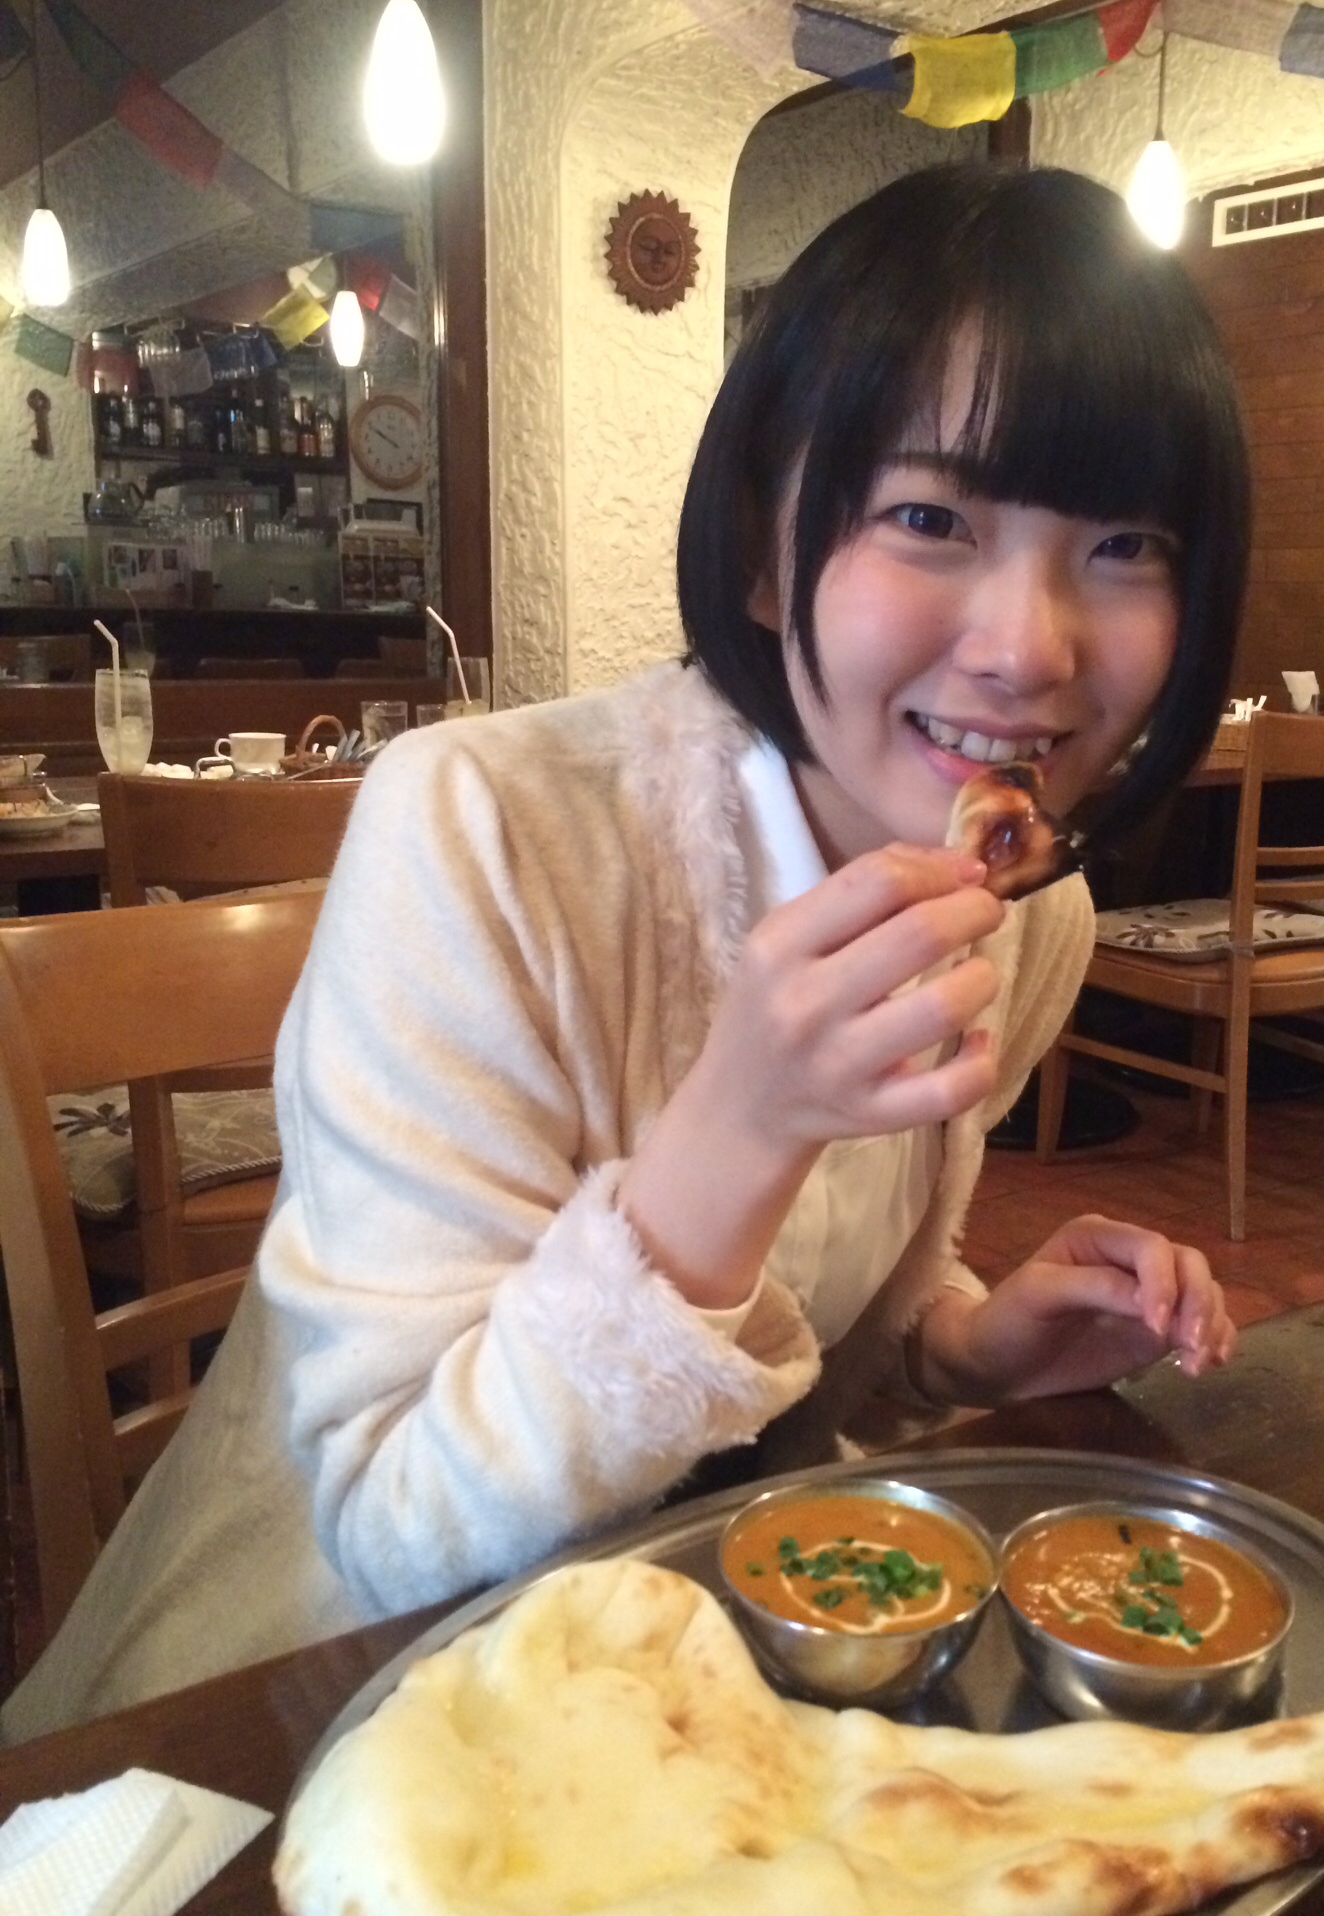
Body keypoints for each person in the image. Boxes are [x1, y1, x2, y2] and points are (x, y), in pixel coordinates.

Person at [4, 164, 1249, 1739]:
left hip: (705, 1675)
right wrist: (742, 1126)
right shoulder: (480, 831)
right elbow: (391, 1530)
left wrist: (962, 1344)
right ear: (758, 549)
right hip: (317, 1703)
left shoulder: (1028, 911)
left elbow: (828, 1298)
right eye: (929, 518)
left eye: (1127, 545)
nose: (1032, 647)